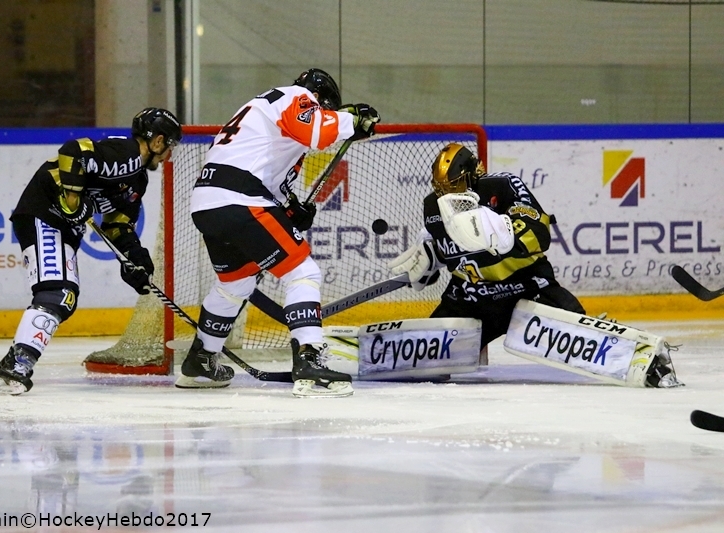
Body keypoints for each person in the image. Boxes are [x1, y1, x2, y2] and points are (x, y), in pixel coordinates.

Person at [179, 68, 380, 397]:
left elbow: (264, 176)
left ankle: (201, 361)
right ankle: (309, 361)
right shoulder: (295, 97)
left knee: (235, 283)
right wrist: (350, 121)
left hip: (208, 202)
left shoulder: (262, 112)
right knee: (303, 271)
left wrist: (289, 210)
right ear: (321, 100)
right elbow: (318, 131)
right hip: (239, 199)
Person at [0, 108, 183, 395]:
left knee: (65, 297)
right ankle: (17, 366)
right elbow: (73, 150)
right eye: (170, 146)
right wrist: (73, 200)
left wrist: (134, 257)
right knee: (57, 293)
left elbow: (118, 223)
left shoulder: (137, 179)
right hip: (45, 215)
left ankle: (13, 360)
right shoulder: (126, 154)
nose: (169, 154)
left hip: (60, 226)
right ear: (157, 141)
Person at [389, 142, 586, 353]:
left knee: (583, 338)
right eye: (441, 188)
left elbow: (540, 232)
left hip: (527, 289)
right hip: (471, 300)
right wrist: (434, 255)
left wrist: (503, 234)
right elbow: (452, 252)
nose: (446, 194)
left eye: (454, 184)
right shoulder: (432, 206)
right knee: (425, 354)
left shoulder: (502, 186)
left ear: (473, 175)